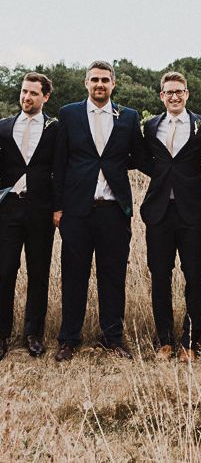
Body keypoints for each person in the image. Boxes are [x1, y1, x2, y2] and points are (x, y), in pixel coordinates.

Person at [52, 60, 147, 362]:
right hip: (77, 211)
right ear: (86, 83)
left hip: (114, 211)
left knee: (113, 276)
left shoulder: (128, 117)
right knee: (73, 276)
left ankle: (113, 338)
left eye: (105, 80)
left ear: (113, 84)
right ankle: (68, 338)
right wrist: (57, 207)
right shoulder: (69, 114)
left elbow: (140, 156)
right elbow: (59, 163)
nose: (99, 85)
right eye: (94, 80)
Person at [141, 71, 201, 362]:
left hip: (192, 212)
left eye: (179, 91)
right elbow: (147, 161)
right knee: (160, 276)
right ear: (161, 96)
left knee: (195, 277)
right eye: (168, 92)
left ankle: (191, 342)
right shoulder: (150, 126)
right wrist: (162, 179)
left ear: (187, 94)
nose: (174, 96)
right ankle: (165, 341)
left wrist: (192, 185)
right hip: (159, 212)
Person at [0, 72, 58, 359]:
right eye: (24, 91)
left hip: (40, 210)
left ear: (45, 97)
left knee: (38, 273)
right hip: (8, 210)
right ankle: (2, 334)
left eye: (33, 93)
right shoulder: (3, 127)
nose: (26, 97)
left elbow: (60, 171)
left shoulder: (54, 129)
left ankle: (33, 334)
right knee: (4, 271)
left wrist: (58, 207)